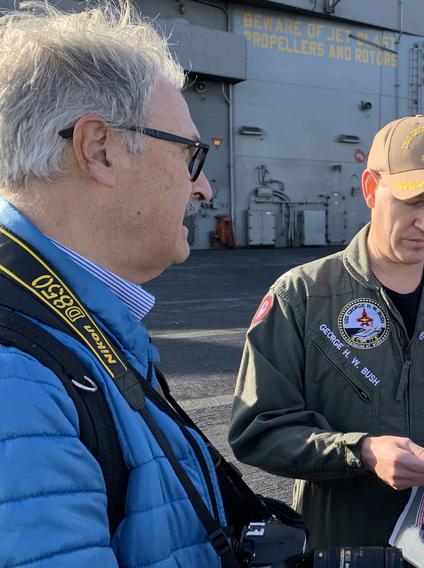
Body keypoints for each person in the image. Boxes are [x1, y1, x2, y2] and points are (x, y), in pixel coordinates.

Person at [229, 115, 424, 548]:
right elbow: (260, 429)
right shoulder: (301, 296)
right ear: (371, 189)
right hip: (343, 544)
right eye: (412, 202)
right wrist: (361, 451)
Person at [0, 2, 230, 565]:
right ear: (98, 149)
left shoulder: (66, 320)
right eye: (190, 155)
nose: (202, 190)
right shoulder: (16, 376)